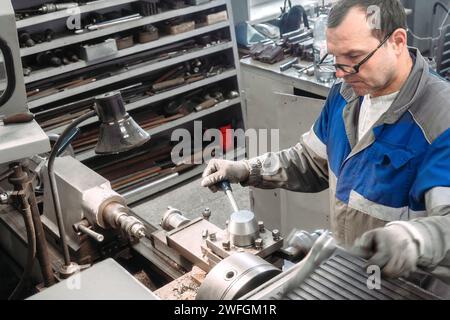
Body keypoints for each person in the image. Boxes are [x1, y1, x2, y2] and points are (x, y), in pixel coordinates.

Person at [201, 0, 450, 282]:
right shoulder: (345, 94)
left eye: (354, 57)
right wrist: (248, 169)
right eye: (335, 58)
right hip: (351, 275)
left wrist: (412, 238)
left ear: (397, 41)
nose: (341, 72)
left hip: (408, 287)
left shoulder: (441, 121)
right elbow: (310, 161)